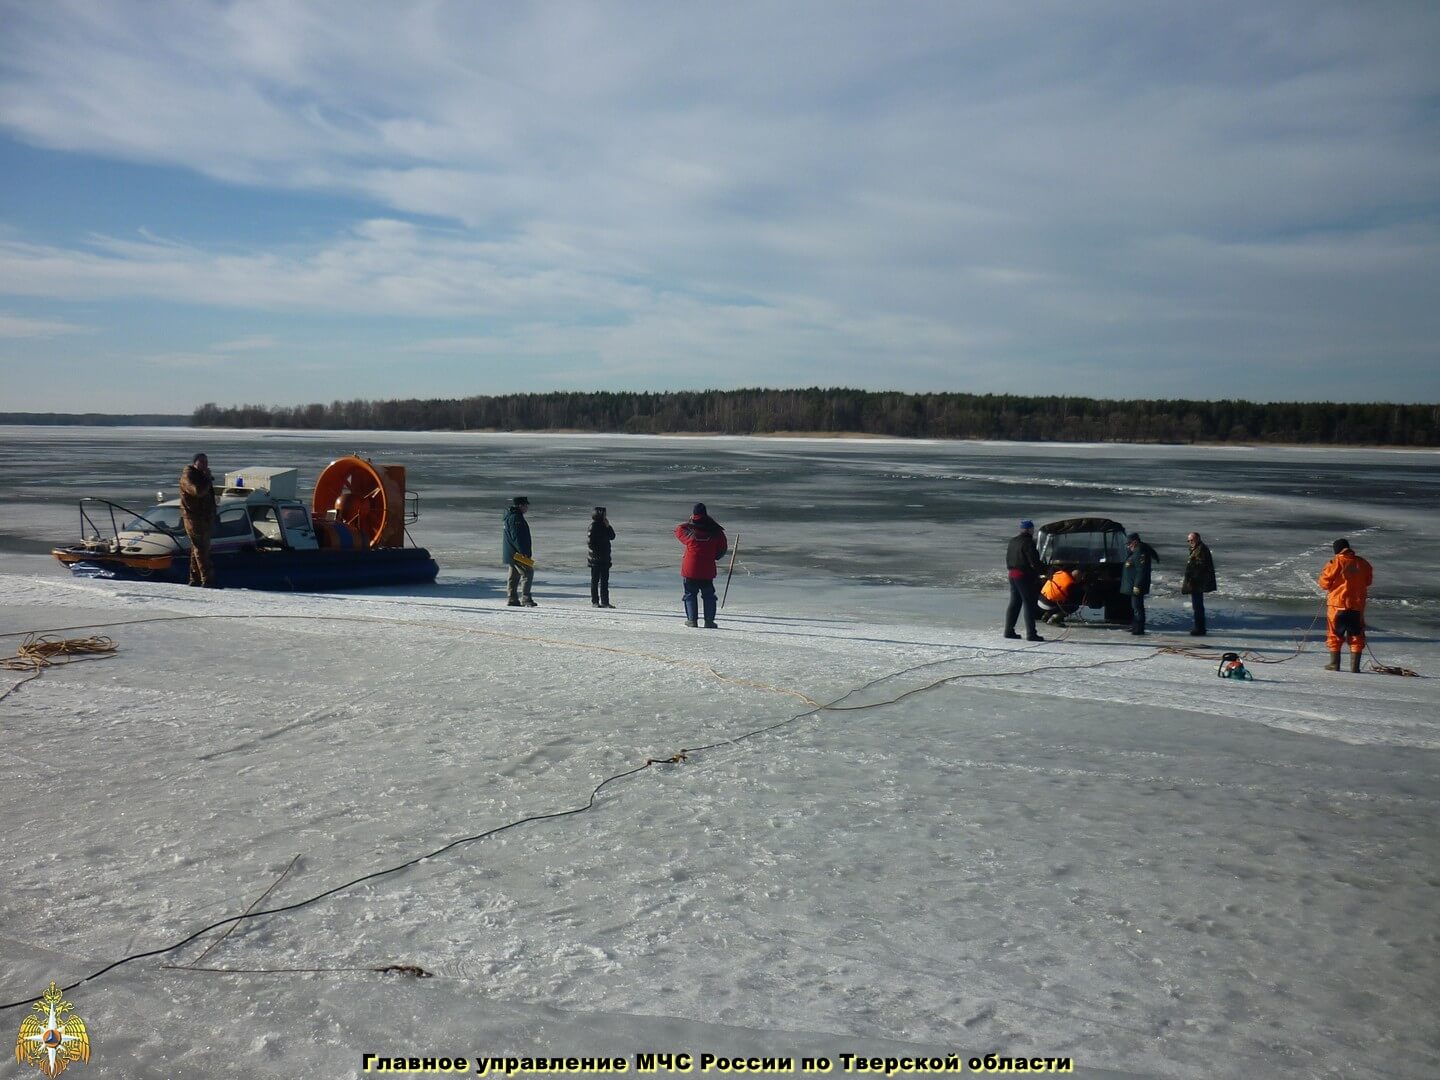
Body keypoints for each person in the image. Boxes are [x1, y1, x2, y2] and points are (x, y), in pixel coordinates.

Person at [1318, 538, 1373, 672]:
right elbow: (1368, 581)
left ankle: (1334, 664)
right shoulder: (1363, 563)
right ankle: (1355, 667)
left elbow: (1324, 583)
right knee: (1357, 636)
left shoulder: (1335, 563)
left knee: (1334, 635)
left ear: (1337, 550)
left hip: (1337, 606)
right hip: (1357, 606)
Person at [674, 502, 727, 628]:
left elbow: (678, 529)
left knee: (690, 594)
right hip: (707, 569)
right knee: (709, 595)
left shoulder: (690, 531)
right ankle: (709, 621)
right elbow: (723, 548)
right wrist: (715, 556)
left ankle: (692, 620)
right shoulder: (715, 531)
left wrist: (690, 521)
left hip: (690, 569)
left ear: (694, 514)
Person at [179, 452, 218, 588]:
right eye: (202, 462)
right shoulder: (188, 476)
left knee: (197, 548)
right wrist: (207, 479)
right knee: (201, 548)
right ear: (195, 463)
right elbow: (197, 492)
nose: (205, 465)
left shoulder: (200, 476)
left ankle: (194, 578)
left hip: (203, 518)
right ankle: (207, 579)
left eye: (206, 462)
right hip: (194, 518)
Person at [1003, 519, 1045, 641]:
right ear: (1031, 530)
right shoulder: (1029, 543)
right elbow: (1034, 562)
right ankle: (1031, 634)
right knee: (1029, 604)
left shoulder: (1013, 541)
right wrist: (1045, 572)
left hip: (1012, 574)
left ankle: (1009, 631)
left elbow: (1008, 559)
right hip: (1023, 576)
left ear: (1021, 529)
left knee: (1015, 603)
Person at [1120, 532, 1158, 635]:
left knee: (1137, 607)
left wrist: (1137, 585)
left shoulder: (1140, 552)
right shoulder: (1136, 552)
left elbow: (1141, 571)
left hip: (1137, 586)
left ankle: (1139, 628)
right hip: (1133, 585)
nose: (1128, 546)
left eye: (1129, 544)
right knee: (1135, 607)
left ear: (1135, 542)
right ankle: (1135, 626)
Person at [1180, 531, 1217, 636]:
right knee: (1197, 606)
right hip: (1196, 582)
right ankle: (1199, 627)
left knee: (1198, 606)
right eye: (1189, 540)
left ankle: (1200, 628)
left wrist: (1192, 580)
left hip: (1198, 583)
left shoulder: (1201, 550)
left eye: (1192, 540)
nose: (1190, 542)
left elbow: (1199, 567)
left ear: (1198, 539)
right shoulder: (1196, 549)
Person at [502, 496, 536, 607]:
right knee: (528, 573)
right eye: (526, 505)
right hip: (518, 553)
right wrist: (523, 552)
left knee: (514, 575)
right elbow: (517, 537)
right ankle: (526, 598)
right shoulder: (516, 518)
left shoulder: (510, 516)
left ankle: (512, 598)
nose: (527, 508)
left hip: (511, 552)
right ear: (520, 506)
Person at [587, 506, 616, 608]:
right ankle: (595, 601)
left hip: (605, 558)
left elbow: (612, 536)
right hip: (595, 559)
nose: (605, 516)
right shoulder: (593, 526)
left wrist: (608, 526)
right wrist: (597, 554)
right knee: (595, 581)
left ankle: (605, 602)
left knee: (604, 582)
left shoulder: (605, 526)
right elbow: (590, 543)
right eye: (604, 514)